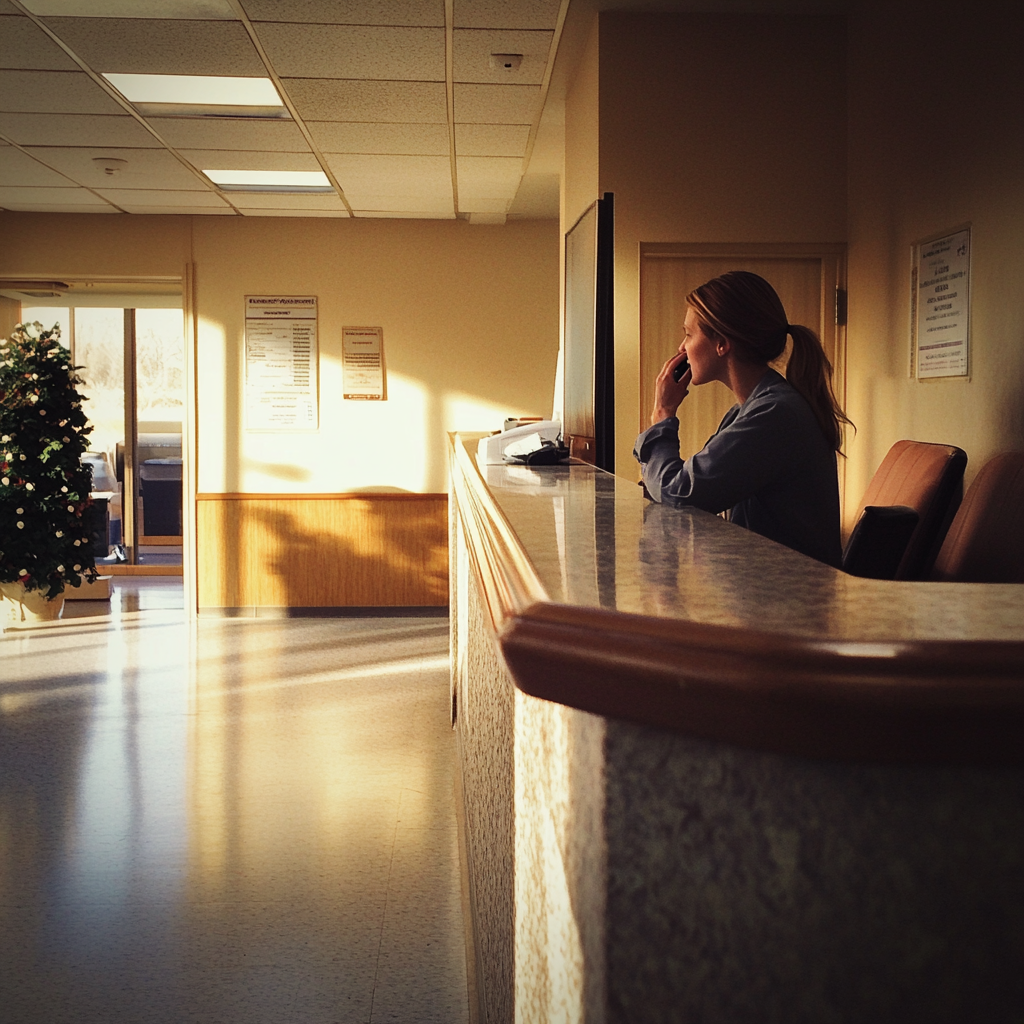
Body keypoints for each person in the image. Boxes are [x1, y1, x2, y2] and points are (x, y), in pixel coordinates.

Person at [633, 270, 852, 567]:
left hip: (793, 602)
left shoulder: (774, 415)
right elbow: (700, 489)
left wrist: (662, 414)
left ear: (722, 343)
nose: (682, 348)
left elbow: (679, 492)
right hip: (770, 590)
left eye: (688, 334)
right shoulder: (749, 410)